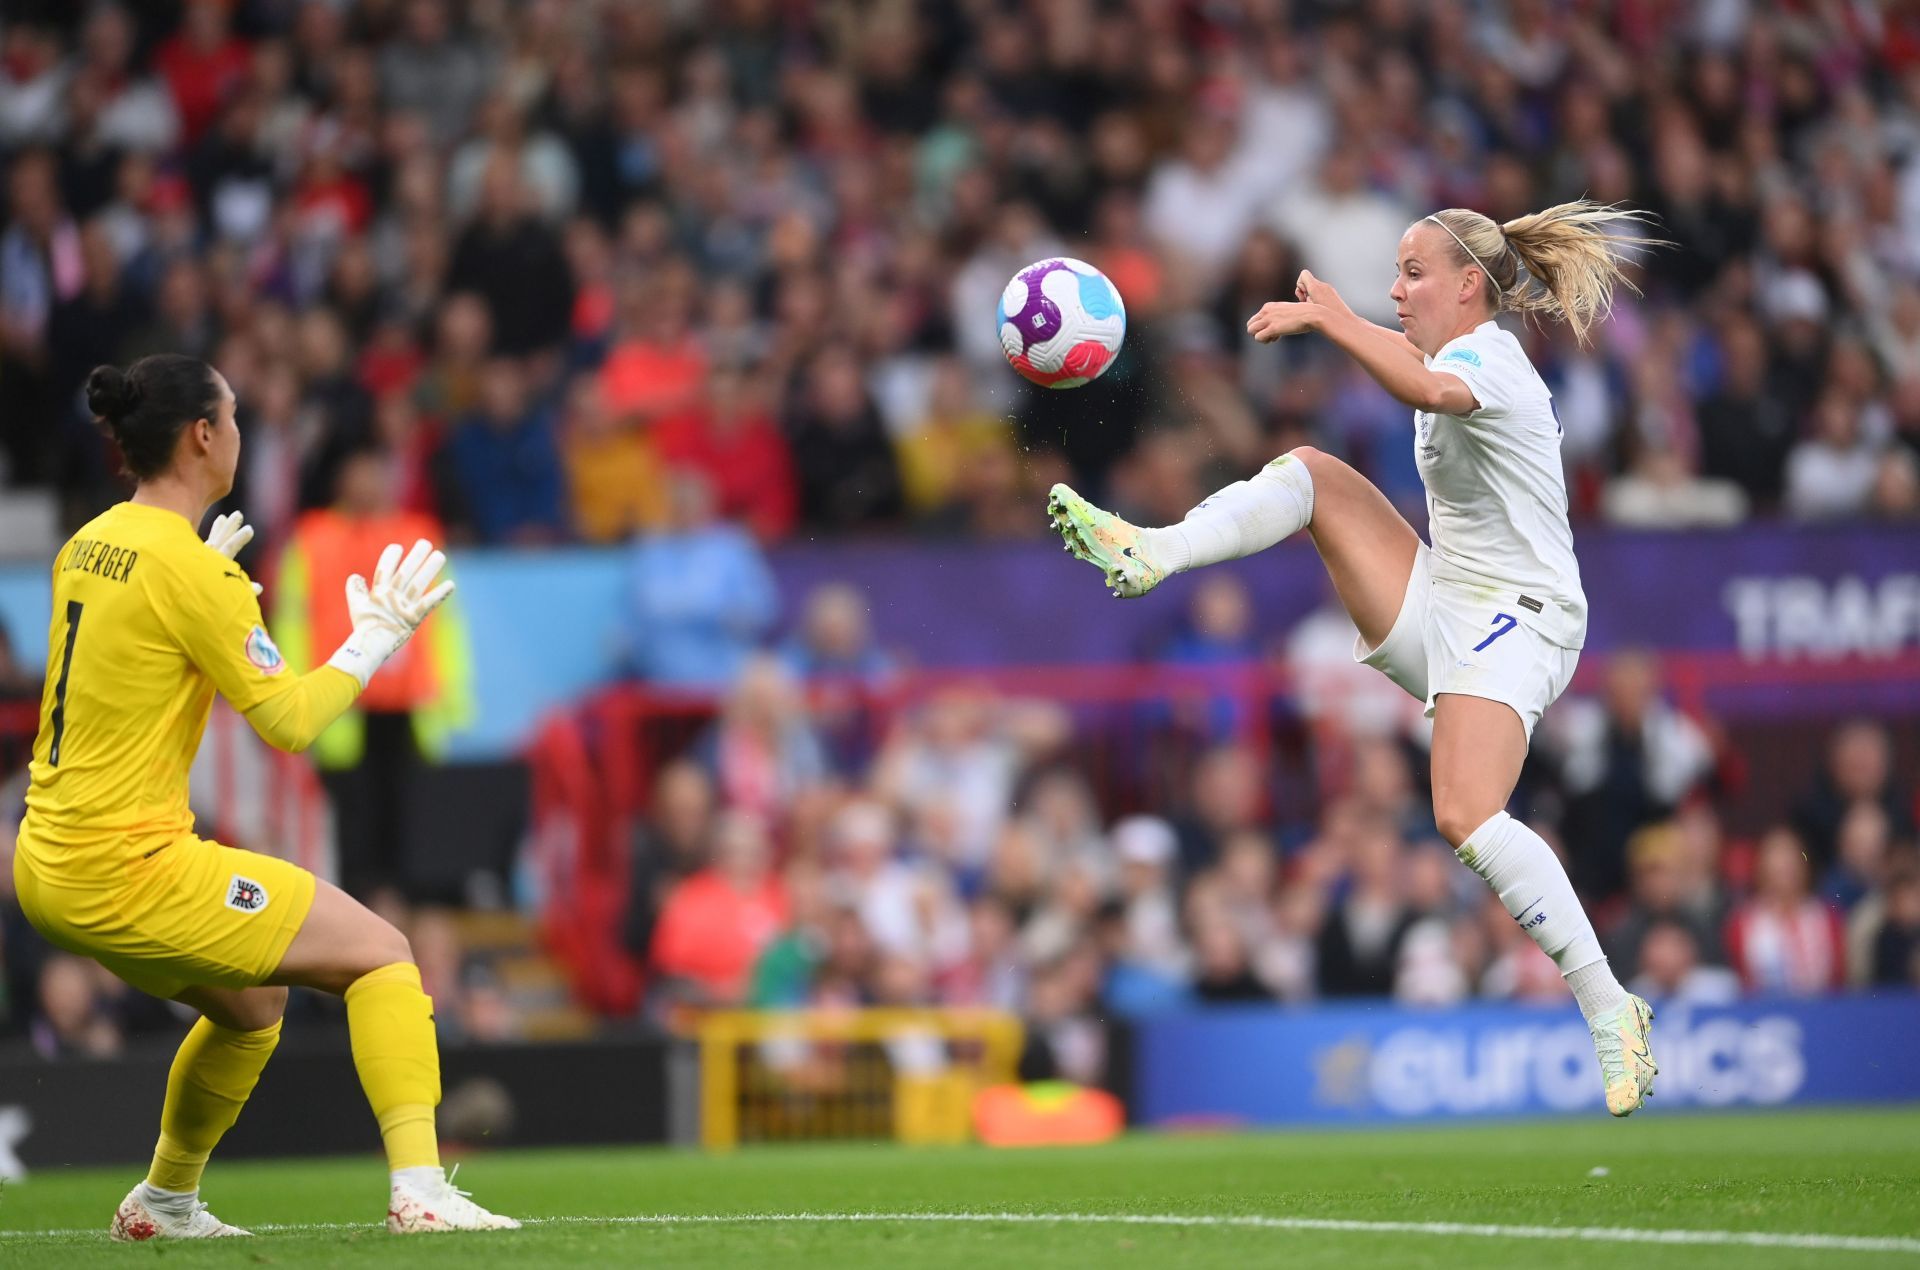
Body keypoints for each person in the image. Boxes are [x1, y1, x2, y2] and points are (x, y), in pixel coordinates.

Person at [1050, 200, 1662, 1116]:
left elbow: (1430, 390)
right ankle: (1153, 550)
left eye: (1412, 271)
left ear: (1467, 286)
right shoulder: (1446, 355)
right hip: (1450, 603)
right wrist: (1346, 327)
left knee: (1463, 812)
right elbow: (1417, 376)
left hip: (1523, 619)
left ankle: (1612, 1010)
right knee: (1315, 474)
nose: (1393, 287)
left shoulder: (1491, 360)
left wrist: (1335, 320)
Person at [10, 356, 513, 1237]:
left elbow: (133, 654)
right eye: (235, 415)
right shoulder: (189, 571)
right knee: (383, 954)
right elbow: (288, 722)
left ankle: (165, 1200)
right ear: (203, 435)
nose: (243, 430)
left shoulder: (85, 544)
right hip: (127, 867)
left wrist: (202, 588)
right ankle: (422, 1193)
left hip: (48, 862)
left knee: (254, 1008)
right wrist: (372, 641)